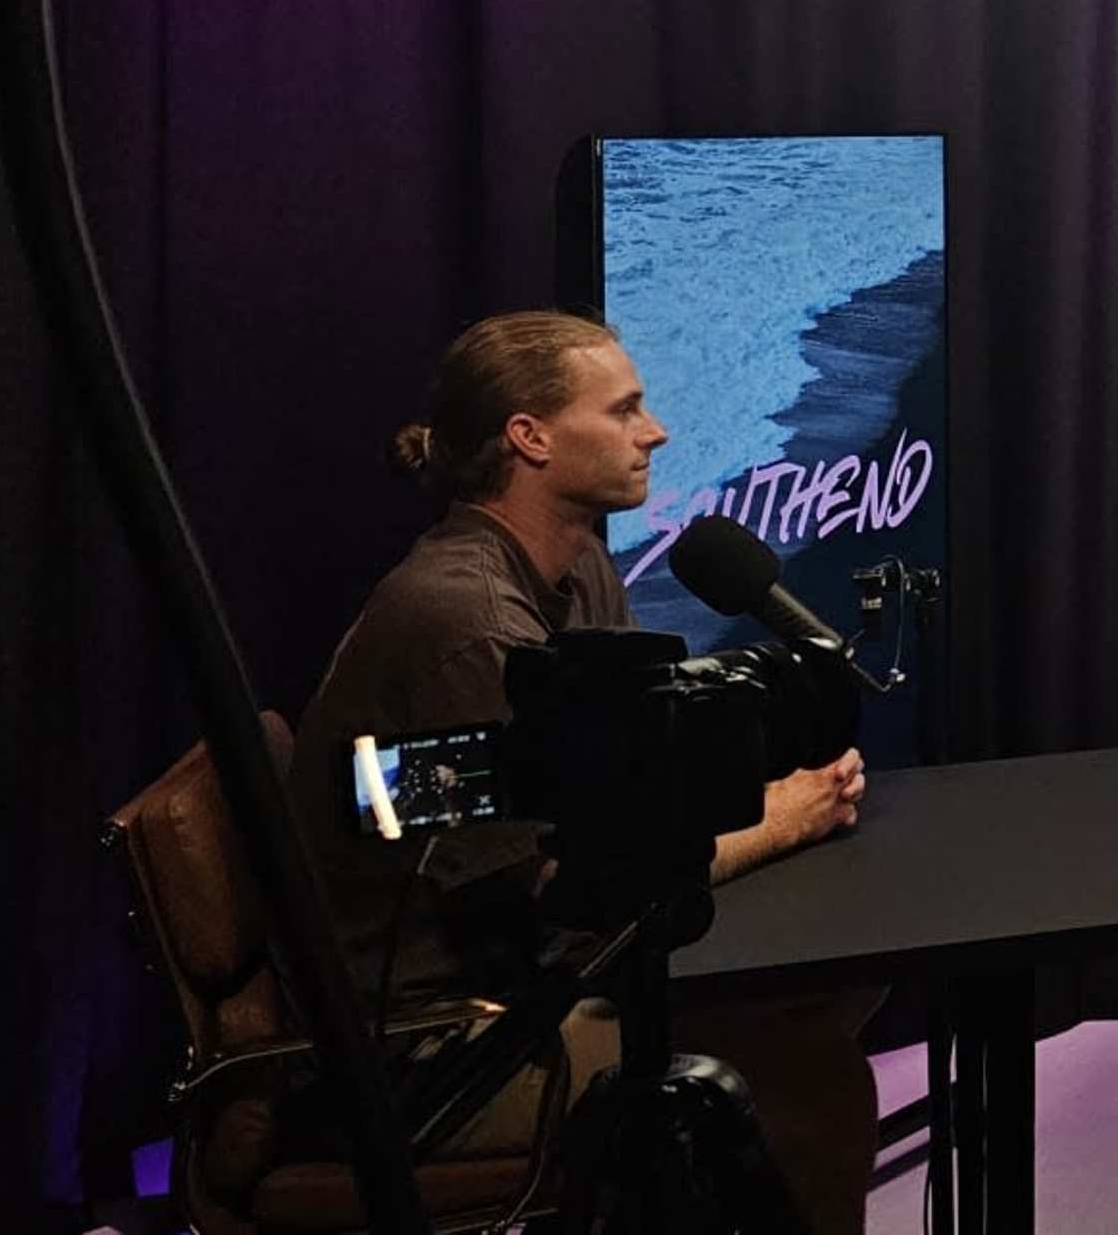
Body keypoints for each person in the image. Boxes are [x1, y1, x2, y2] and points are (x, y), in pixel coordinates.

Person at [291, 311, 884, 1235]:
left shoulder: (575, 570)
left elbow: (623, 797)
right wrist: (781, 818)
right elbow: (565, 889)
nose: (656, 432)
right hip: (439, 1045)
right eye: (625, 410)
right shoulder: (470, 625)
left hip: (529, 977)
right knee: (796, 1075)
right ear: (529, 437)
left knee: (830, 988)